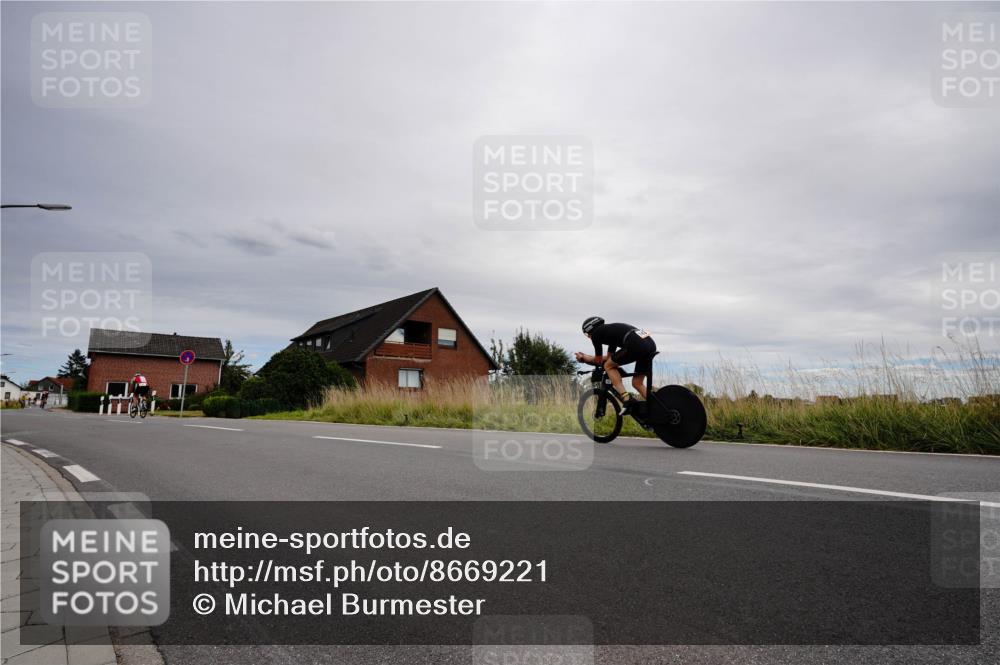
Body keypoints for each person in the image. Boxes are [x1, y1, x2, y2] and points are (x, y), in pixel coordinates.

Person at [575, 316, 657, 412]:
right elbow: (609, 358)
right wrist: (588, 357)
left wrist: (585, 359)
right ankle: (658, 407)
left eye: (587, 334)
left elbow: (599, 361)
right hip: (649, 342)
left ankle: (626, 399)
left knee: (608, 366)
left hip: (636, 343)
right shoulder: (611, 331)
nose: (589, 337)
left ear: (589, 329)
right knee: (637, 383)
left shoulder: (596, 334)